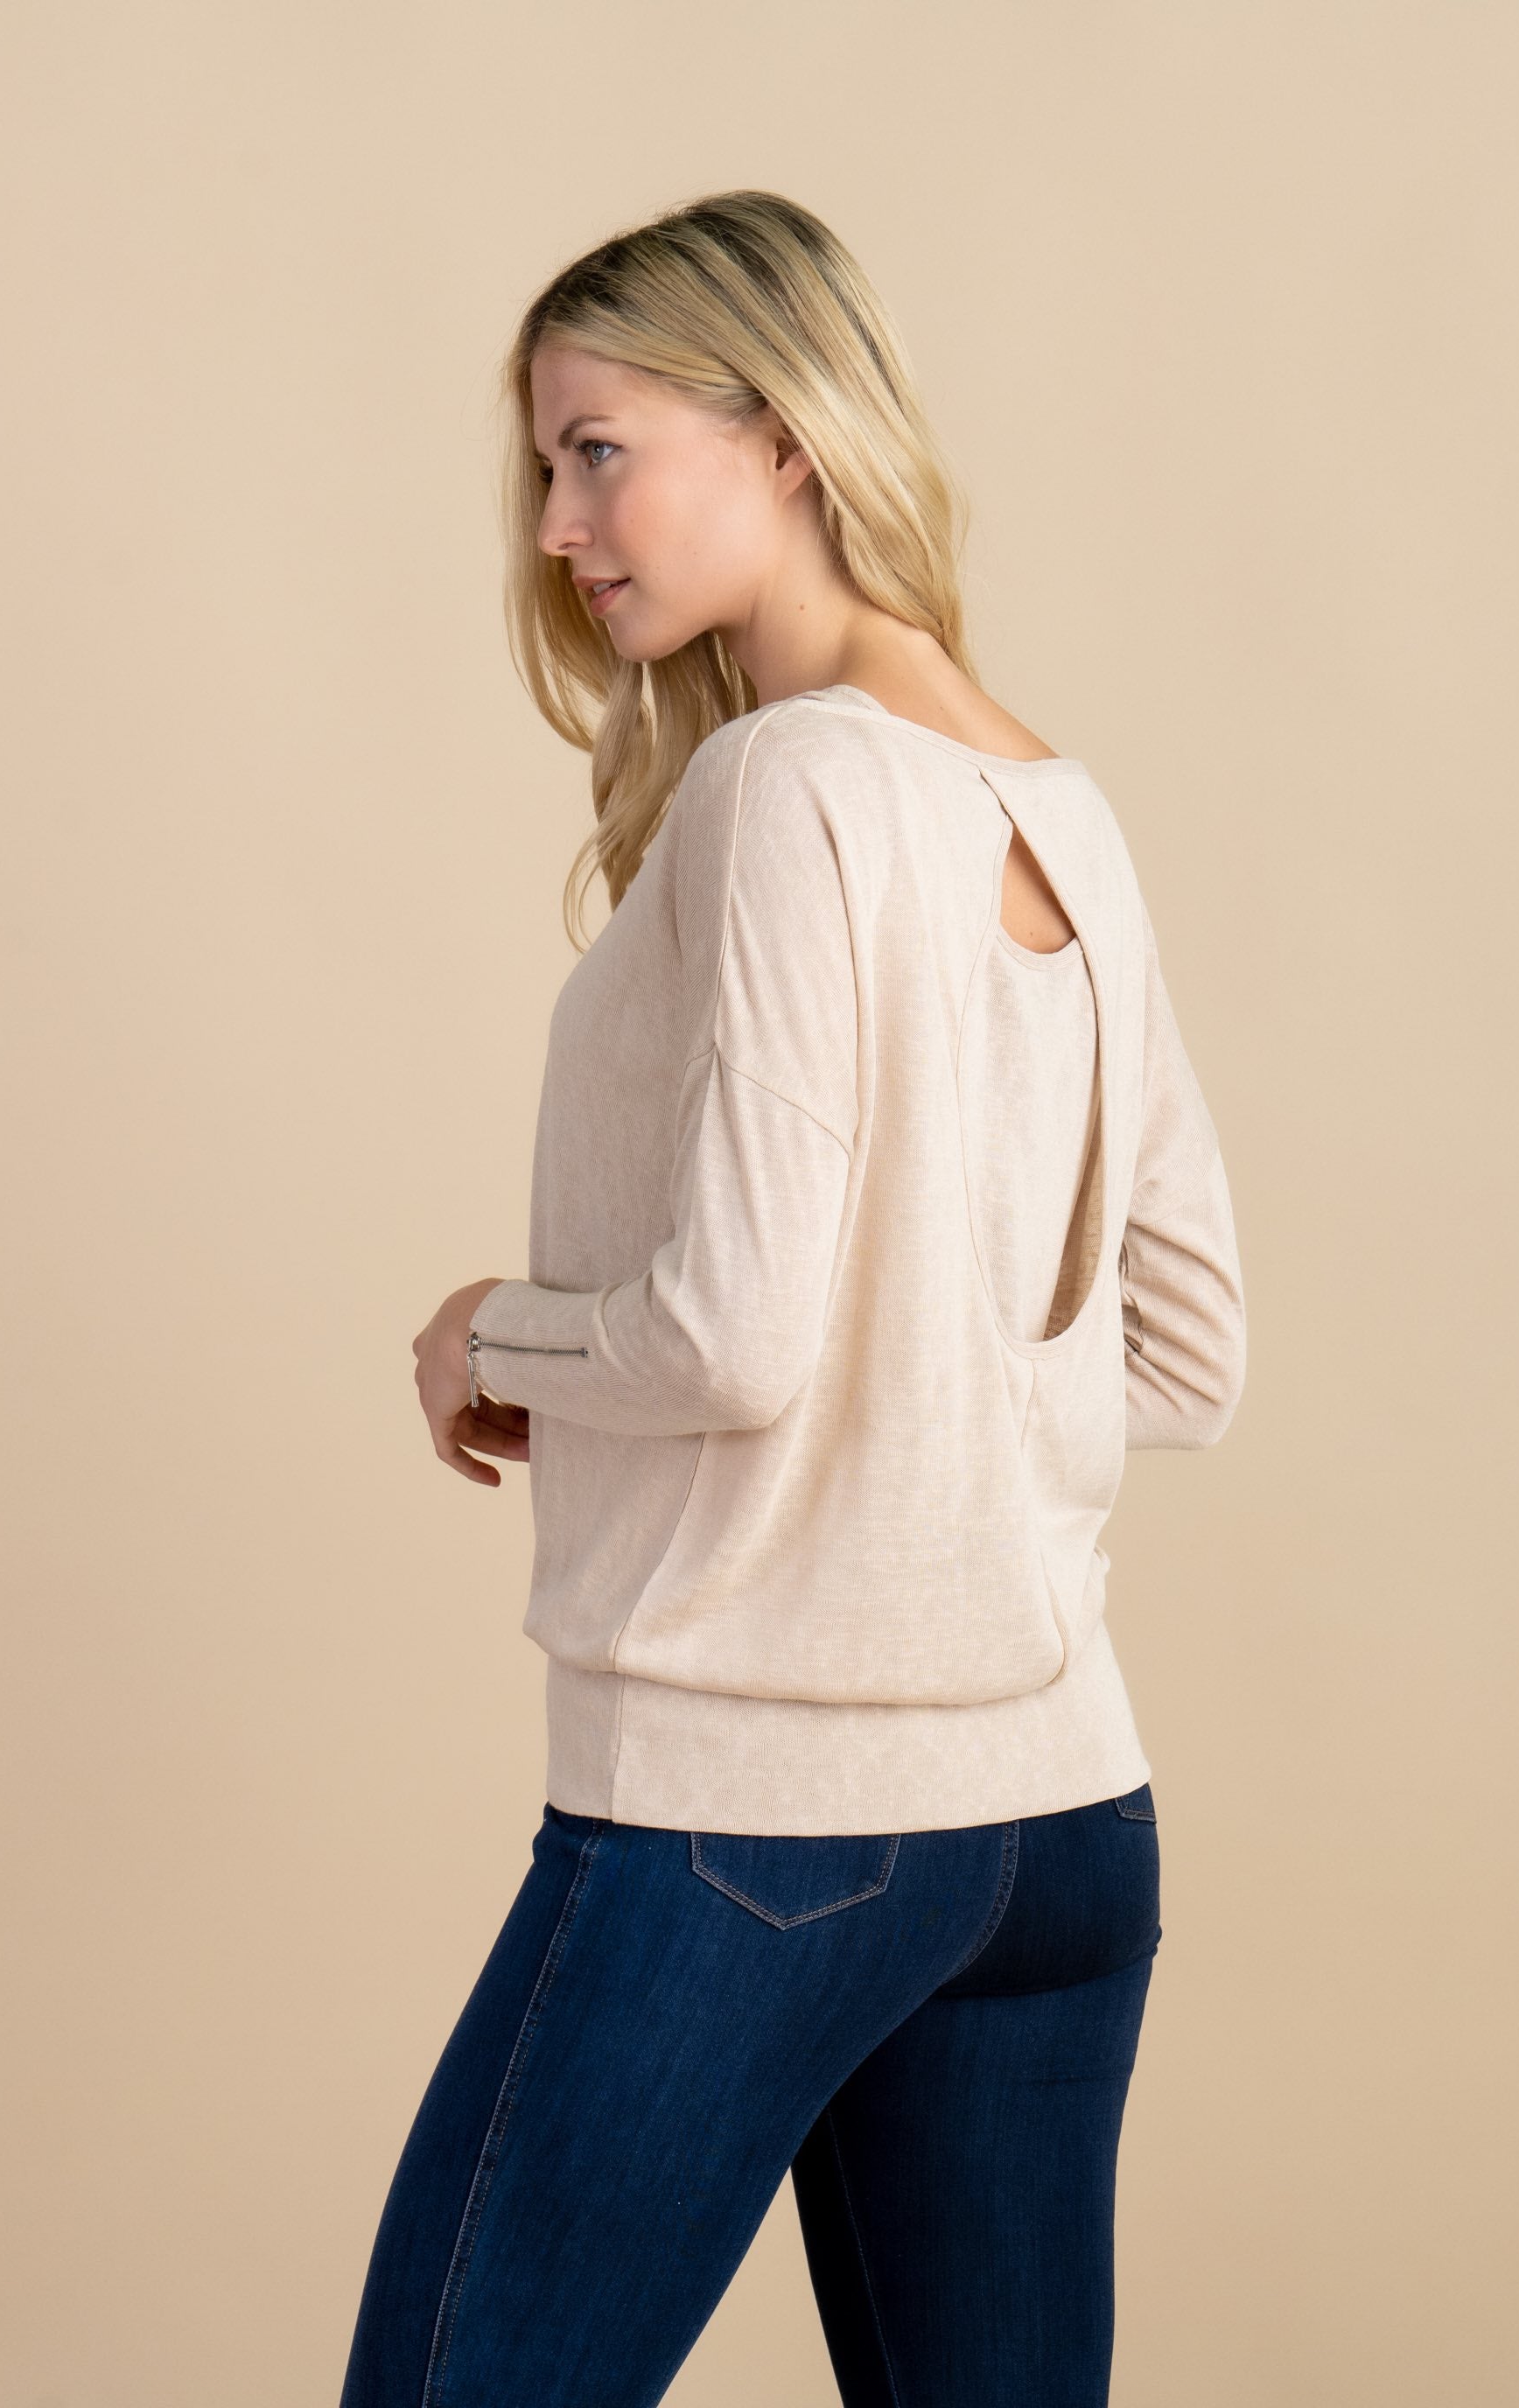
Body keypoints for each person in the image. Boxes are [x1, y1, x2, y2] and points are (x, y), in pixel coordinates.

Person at [340, 192, 1248, 2408]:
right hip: (1062, 1822)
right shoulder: (1057, 804)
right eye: (545, 469)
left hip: (758, 1818)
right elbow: (1188, 1349)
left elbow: (731, 1336)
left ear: (786, 437)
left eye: (597, 451)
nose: (558, 529)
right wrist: (928, 1434)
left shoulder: (789, 780)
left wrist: (490, 1334)